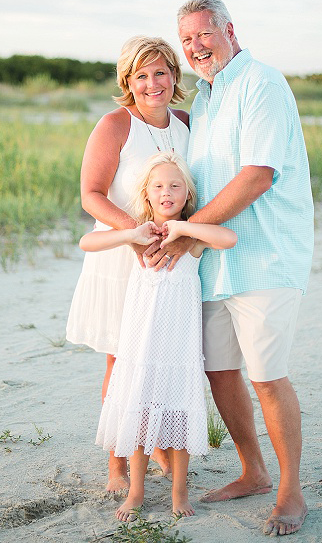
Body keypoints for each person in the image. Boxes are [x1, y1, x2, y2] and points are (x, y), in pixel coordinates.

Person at [155, 0, 313, 536]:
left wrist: (188, 237)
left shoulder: (261, 83)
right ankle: (254, 471)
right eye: (187, 40)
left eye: (204, 35)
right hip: (214, 263)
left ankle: (291, 492)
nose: (196, 47)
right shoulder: (205, 98)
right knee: (218, 369)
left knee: (267, 378)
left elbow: (257, 175)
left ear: (229, 30)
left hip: (266, 255)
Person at [66, 36, 191, 492]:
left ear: (174, 76)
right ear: (127, 81)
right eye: (141, 75)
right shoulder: (115, 124)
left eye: (160, 72)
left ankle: (156, 446)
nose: (152, 83)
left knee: (160, 359)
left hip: (168, 263)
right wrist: (136, 234)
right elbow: (91, 194)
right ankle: (117, 465)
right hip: (122, 257)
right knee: (123, 363)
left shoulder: (186, 123)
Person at [87, 152, 237, 520]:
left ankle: (179, 493)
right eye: (158, 187)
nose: (166, 192)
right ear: (147, 195)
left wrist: (185, 229)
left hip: (178, 346)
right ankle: (136, 492)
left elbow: (228, 237)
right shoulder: (140, 232)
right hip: (140, 343)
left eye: (175, 185)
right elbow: (86, 243)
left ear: (187, 195)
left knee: (178, 416)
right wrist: (130, 233)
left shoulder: (190, 238)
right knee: (138, 413)